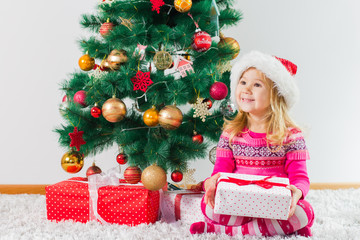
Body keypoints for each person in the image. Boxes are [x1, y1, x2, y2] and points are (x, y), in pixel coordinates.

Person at [190, 51, 314, 237]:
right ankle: (269, 229)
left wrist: (297, 194)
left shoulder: (291, 136)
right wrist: (212, 183)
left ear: (276, 95)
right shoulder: (231, 133)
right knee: (208, 205)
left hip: (274, 202)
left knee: (304, 213)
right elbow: (220, 172)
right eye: (243, 82)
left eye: (257, 84)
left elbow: (300, 177)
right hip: (239, 200)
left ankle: (224, 231)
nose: (246, 89)